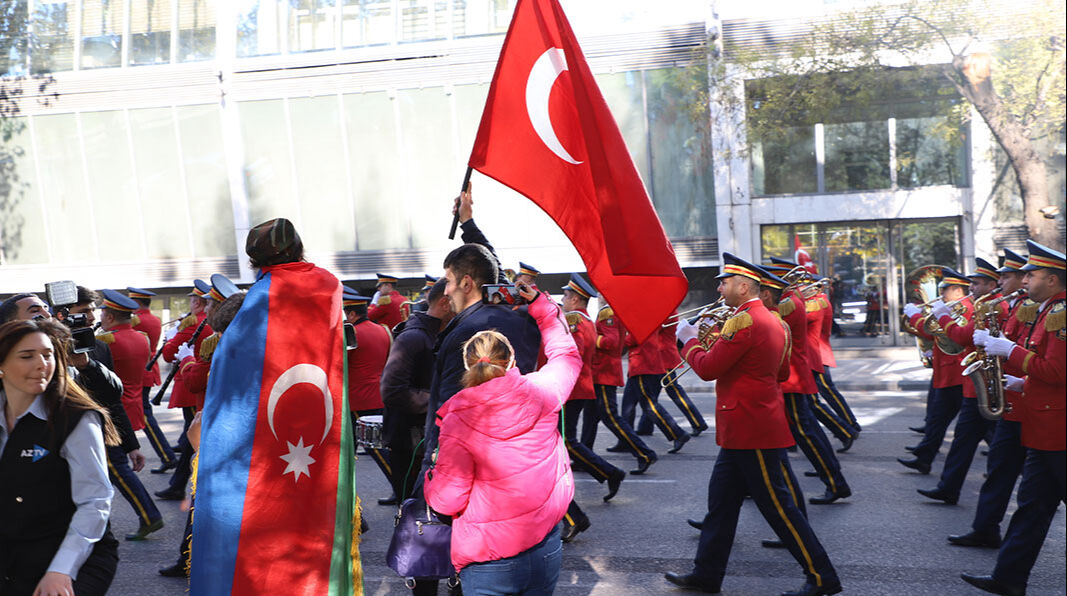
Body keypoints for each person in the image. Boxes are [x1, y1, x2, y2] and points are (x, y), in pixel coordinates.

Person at [665, 253, 841, 596]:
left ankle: (822, 576)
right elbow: (780, 372)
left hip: (750, 426)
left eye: (725, 282)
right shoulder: (773, 320)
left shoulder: (745, 321)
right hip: (748, 423)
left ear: (744, 287)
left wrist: (688, 340)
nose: (719, 288)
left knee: (780, 510)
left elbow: (707, 369)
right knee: (721, 505)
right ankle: (706, 574)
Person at [424, 281, 580, 595]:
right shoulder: (545, 391)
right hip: (545, 542)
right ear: (511, 361)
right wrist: (543, 306)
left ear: (467, 365)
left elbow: (447, 500)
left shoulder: (457, 419)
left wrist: (431, 476)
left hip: (489, 557)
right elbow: (566, 354)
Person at [962, 240, 1066, 596]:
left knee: (1033, 506)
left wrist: (1011, 351)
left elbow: (1058, 371)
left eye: (1032, 275)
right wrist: (1022, 382)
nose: (1025, 280)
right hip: (1043, 427)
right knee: (1031, 508)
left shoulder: (1061, 313)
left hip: (1058, 430)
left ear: (1052, 279)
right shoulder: (1048, 309)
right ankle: (1008, 578)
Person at [0, 318, 121, 596]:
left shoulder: (75, 419)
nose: (42, 364)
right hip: (13, 551)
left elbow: (95, 501)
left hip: (72, 554)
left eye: (48, 355)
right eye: (27, 356)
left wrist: (61, 569)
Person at [949, 249, 1031, 548]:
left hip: (1031, 404)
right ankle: (985, 529)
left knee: (1042, 486)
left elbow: (1042, 359)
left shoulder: (1035, 309)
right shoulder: (1015, 305)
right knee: (999, 470)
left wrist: (1006, 351)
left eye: (1006, 277)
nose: (1001, 282)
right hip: (1012, 400)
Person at [761, 264, 851, 506]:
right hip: (792, 374)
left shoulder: (788, 303)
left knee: (805, 433)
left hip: (791, 376)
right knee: (807, 430)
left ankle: (835, 482)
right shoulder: (791, 299)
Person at [915, 258, 1001, 505]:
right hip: (975, 382)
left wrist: (942, 317)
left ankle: (948, 484)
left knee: (1002, 442)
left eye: (976, 283)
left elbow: (962, 336)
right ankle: (948, 487)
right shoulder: (983, 305)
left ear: (990, 285)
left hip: (984, 381)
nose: (971, 287)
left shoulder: (992, 306)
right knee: (965, 439)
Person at [559, 274, 626, 542]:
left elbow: (569, 357)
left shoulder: (575, 321)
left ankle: (608, 474)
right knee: (568, 442)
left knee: (565, 443)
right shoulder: (584, 320)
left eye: (566, 296)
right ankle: (609, 472)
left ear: (576, 299)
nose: (563, 300)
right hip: (579, 387)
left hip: (571, 389)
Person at [96, 289, 166, 540]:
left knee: (116, 467)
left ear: (109, 316)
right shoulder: (141, 337)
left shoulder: (107, 341)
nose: (99, 317)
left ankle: (149, 516)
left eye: (102, 313)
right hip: (130, 406)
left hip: (112, 411)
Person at [381, 278, 453, 506]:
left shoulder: (434, 334)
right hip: (410, 442)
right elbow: (393, 390)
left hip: (421, 438)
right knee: (412, 512)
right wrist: (441, 401)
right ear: (445, 303)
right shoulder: (413, 337)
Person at [899, 268, 972, 475]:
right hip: (947, 371)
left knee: (976, 427)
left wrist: (915, 317)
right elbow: (935, 334)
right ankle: (924, 457)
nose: (941, 295)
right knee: (937, 419)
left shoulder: (964, 308)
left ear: (958, 291)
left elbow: (943, 334)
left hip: (957, 373)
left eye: (945, 290)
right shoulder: (952, 307)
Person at [344, 288, 395, 503]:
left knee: (350, 455)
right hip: (377, 394)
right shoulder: (382, 330)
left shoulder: (351, 333)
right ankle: (402, 488)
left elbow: (342, 365)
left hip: (358, 399)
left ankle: (403, 489)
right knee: (381, 450)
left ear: (352, 314)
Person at [595, 302, 658, 474]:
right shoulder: (613, 311)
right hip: (600, 371)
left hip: (604, 372)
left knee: (611, 417)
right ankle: (584, 457)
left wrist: (591, 337)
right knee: (591, 419)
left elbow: (612, 342)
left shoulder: (609, 312)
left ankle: (645, 453)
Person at [128, 287, 178, 474]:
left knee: (145, 416)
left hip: (139, 371)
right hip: (148, 369)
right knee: (144, 414)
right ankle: (167, 456)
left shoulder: (136, 320)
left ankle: (167, 456)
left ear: (136, 302)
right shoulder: (154, 319)